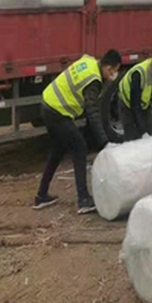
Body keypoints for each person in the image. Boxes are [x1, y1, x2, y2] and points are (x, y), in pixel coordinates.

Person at [34, 49, 122, 214]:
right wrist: (105, 142)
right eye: (113, 70)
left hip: (48, 104)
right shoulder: (94, 80)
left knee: (57, 151)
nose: (113, 74)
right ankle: (83, 200)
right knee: (79, 148)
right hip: (57, 111)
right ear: (107, 66)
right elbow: (92, 112)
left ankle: (41, 196)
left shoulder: (89, 62)